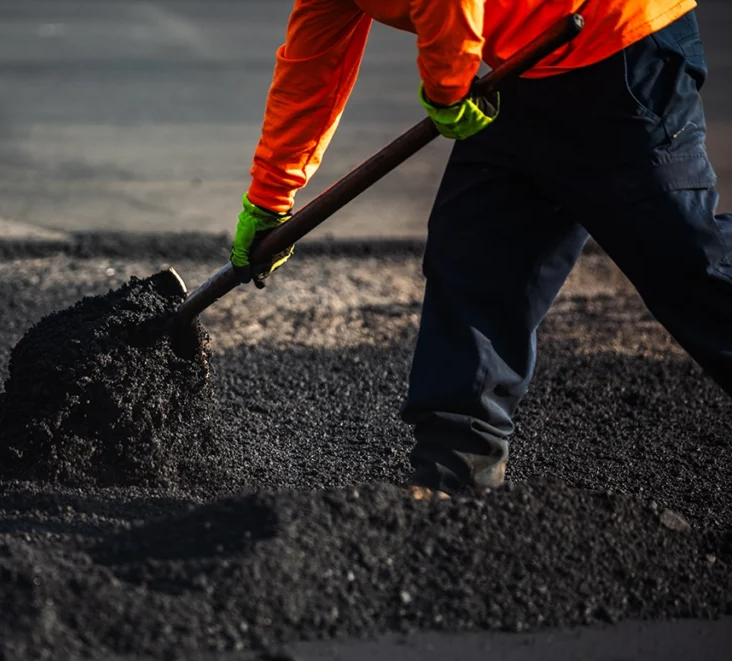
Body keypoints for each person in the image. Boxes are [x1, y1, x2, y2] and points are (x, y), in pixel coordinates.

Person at [230, 0, 732, 499]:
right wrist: (270, 200)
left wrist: (447, 86)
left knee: (687, 260)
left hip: (617, 43)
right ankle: (453, 475)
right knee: (475, 252)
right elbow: (314, 67)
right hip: (525, 64)